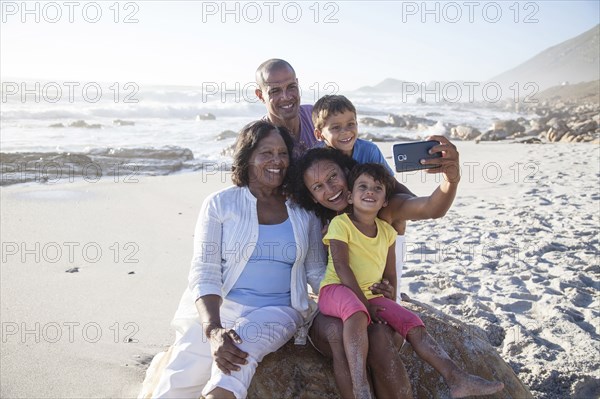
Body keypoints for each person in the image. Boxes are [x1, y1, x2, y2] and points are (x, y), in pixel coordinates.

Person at [150, 120, 325, 399]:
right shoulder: (220, 204)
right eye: (266, 153)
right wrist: (213, 329)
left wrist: (356, 300)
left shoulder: (304, 210)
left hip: (277, 310)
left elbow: (317, 272)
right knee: (175, 386)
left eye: (282, 153)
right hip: (221, 308)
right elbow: (204, 272)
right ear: (247, 157)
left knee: (235, 361)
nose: (277, 161)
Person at [316, 162, 505, 399]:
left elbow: (390, 273)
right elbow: (341, 266)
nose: (369, 192)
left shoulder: (387, 232)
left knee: (412, 322)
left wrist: (391, 298)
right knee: (356, 313)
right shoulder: (340, 224)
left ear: (385, 200)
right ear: (350, 197)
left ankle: (456, 377)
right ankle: (360, 387)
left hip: (371, 295)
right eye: (362, 187)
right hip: (338, 290)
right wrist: (365, 303)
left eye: (377, 188)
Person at [254, 58, 320, 159]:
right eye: (275, 91)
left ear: (297, 84)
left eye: (291, 87)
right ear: (260, 96)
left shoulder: (317, 117)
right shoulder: (258, 139)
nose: (286, 97)